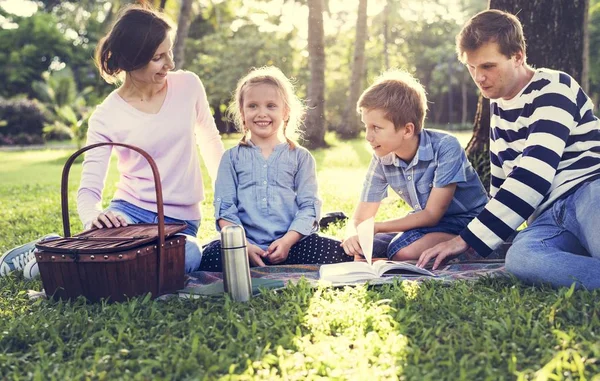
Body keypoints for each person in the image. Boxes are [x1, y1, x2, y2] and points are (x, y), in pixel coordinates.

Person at [0, 5, 224, 278]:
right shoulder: (106, 115)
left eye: (170, 52)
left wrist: (227, 201)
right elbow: (89, 189)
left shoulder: (188, 86)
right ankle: (49, 251)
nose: (170, 64)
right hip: (128, 214)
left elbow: (210, 141)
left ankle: (61, 255)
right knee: (126, 261)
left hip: (181, 221)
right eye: (158, 57)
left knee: (189, 255)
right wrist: (92, 216)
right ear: (132, 60)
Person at [417, 9, 600, 289]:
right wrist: (472, 242)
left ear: (518, 56)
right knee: (522, 257)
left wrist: (466, 238)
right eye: (471, 67)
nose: (478, 77)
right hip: (548, 218)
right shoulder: (499, 107)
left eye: (488, 66)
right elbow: (502, 185)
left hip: (589, 192)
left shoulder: (553, 87)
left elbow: (533, 174)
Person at [198, 66, 351, 270]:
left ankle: (282, 254)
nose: (262, 113)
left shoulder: (301, 157)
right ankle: (250, 257)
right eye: (253, 106)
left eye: (271, 106)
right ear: (242, 112)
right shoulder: (231, 158)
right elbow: (225, 210)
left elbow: (309, 207)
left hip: (293, 243)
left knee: (339, 253)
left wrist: (287, 241)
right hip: (243, 245)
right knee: (208, 258)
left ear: (285, 112)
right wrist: (244, 245)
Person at [340, 69, 489, 261]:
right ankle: (393, 254)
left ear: (407, 130)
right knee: (356, 248)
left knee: (403, 251)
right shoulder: (382, 156)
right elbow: (361, 217)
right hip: (427, 226)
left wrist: (376, 227)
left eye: (376, 128)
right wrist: (353, 233)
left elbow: (432, 215)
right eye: (366, 127)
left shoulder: (445, 147)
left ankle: (468, 245)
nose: (368, 137)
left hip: (466, 223)